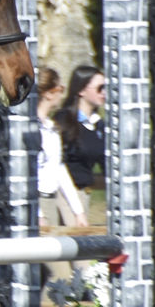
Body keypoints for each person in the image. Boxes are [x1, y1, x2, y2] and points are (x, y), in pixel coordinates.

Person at [53, 64, 106, 225]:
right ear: (81, 90)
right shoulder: (64, 120)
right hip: (63, 193)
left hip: (83, 193)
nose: (104, 93)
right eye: (100, 88)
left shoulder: (99, 125)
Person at [36, 67, 88, 229]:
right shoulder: (32, 128)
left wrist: (78, 212)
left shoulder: (51, 127)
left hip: (50, 202)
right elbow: (28, 172)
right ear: (49, 93)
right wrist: (38, 214)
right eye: (60, 89)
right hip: (38, 204)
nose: (62, 94)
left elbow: (59, 169)